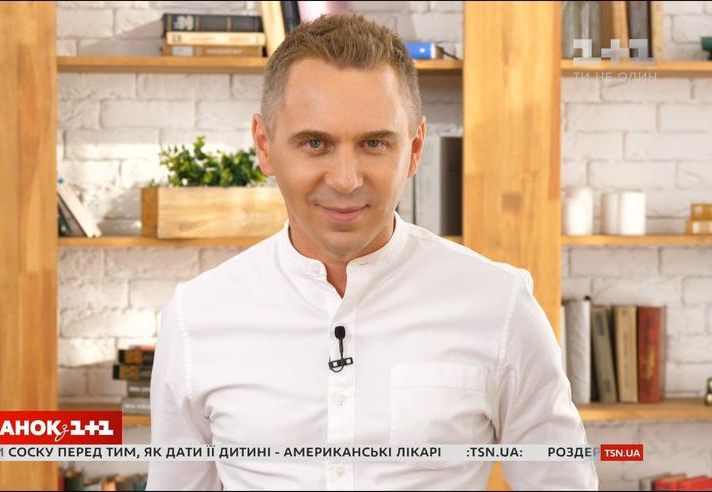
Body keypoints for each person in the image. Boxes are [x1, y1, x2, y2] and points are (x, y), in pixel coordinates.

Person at [147, 13, 597, 490]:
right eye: (315, 143)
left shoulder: (499, 304)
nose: (346, 179)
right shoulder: (196, 316)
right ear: (264, 145)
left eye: (374, 143)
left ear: (415, 148)